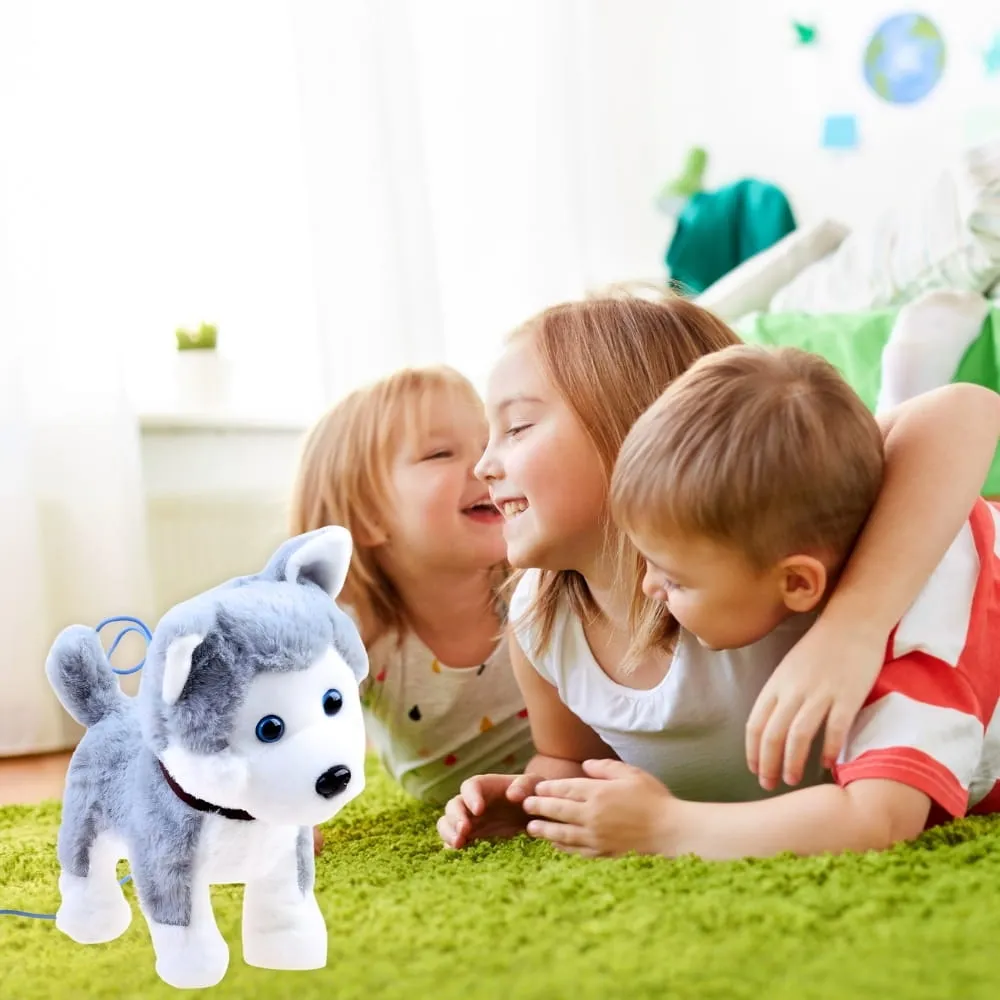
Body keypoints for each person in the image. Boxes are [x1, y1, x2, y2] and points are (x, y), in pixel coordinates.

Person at [436, 294, 1000, 854]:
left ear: (649, 426)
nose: (483, 465)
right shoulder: (543, 618)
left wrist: (850, 629)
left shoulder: (848, 560)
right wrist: (538, 799)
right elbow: (574, 760)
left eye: (517, 428)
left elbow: (965, 410)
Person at [290, 366, 535, 852]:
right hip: (455, 799)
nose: (486, 463)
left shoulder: (539, 585)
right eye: (441, 453)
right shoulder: (359, 633)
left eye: (490, 441)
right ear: (368, 516)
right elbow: (289, 720)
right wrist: (287, 812)